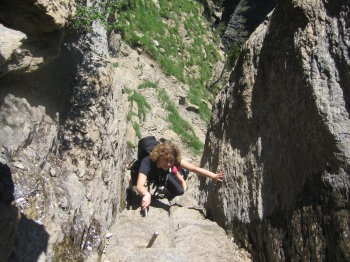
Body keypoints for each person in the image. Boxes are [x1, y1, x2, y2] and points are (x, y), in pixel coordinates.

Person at [135, 141, 224, 211]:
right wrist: (146, 194)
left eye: (171, 161)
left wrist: (214, 176)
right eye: (166, 160)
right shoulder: (147, 161)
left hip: (161, 175)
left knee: (179, 191)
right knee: (135, 181)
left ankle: (165, 192)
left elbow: (194, 168)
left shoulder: (173, 160)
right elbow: (140, 186)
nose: (169, 163)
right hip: (148, 174)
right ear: (159, 156)